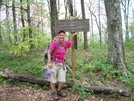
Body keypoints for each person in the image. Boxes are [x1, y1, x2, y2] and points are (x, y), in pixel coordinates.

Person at [47, 30, 76, 100]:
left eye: (63, 35)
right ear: (58, 36)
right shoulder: (54, 43)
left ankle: (59, 90)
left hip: (61, 64)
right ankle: (53, 92)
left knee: (62, 80)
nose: (61, 36)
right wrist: (49, 62)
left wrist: (73, 37)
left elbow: (72, 44)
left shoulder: (66, 43)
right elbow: (49, 53)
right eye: (60, 35)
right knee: (52, 79)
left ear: (64, 36)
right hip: (53, 63)